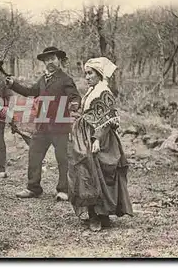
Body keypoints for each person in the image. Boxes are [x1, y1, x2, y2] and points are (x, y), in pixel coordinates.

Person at [6, 46, 81, 201]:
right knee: (34, 154)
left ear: (59, 60)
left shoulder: (66, 79)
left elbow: (75, 97)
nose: (49, 62)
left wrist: (73, 104)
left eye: (52, 59)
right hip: (42, 126)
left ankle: (63, 190)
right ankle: (33, 188)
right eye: (47, 60)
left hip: (60, 126)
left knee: (62, 158)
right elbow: (30, 92)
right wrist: (13, 83)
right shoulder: (43, 79)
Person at [67, 57, 133, 232]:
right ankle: (93, 214)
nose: (87, 77)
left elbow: (108, 118)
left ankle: (101, 215)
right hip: (85, 134)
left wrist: (97, 139)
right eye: (86, 74)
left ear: (99, 74)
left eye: (90, 74)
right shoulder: (92, 90)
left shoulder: (104, 92)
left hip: (100, 138)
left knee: (101, 174)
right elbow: (87, 112)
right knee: (86, 173)